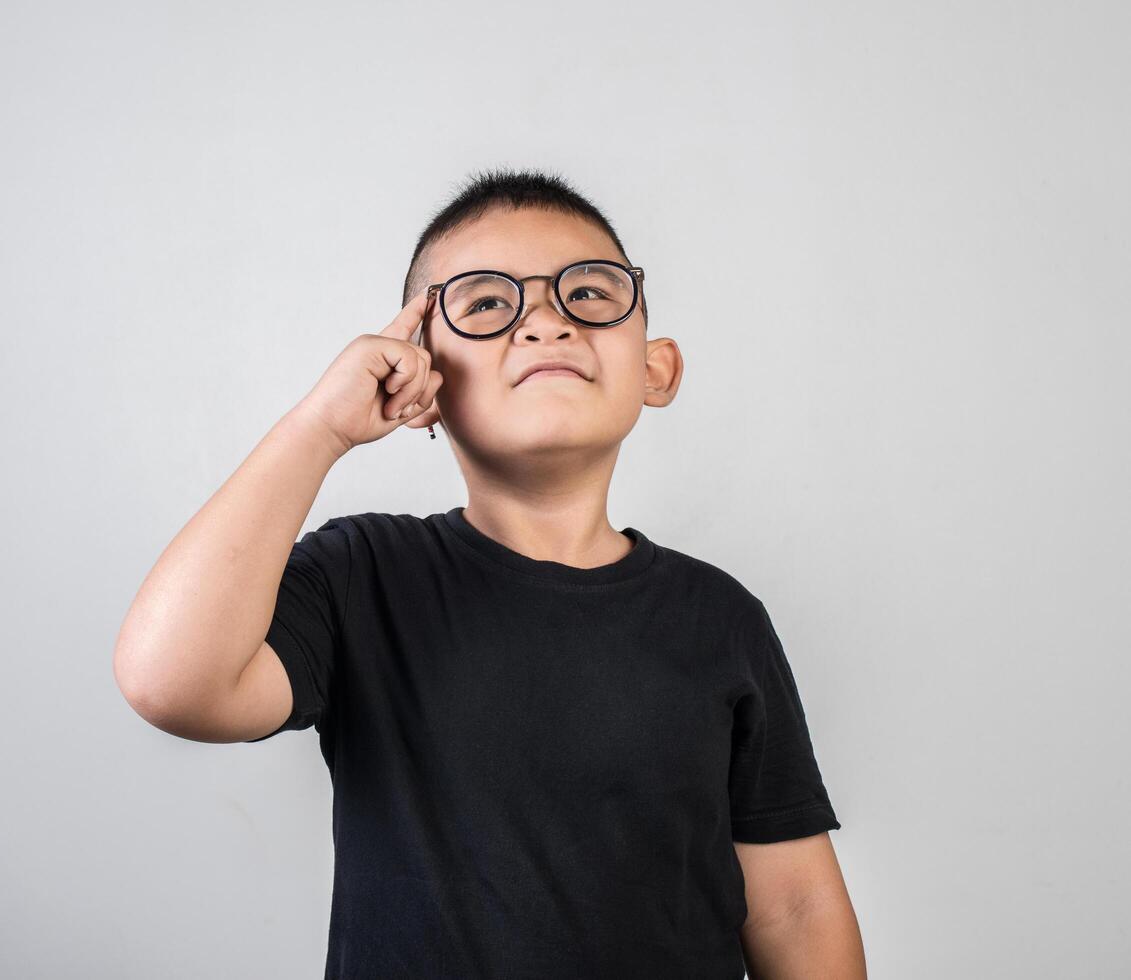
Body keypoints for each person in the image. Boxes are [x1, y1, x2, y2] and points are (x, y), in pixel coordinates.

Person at [113, 167, 867, 979]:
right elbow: (172, 681)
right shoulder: (364, 577)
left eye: (587, 295)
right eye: (484, 303)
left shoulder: (719, 617)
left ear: (656, 369)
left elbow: (793, 903)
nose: (543, 322)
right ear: (420, 385)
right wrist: (318, 428)